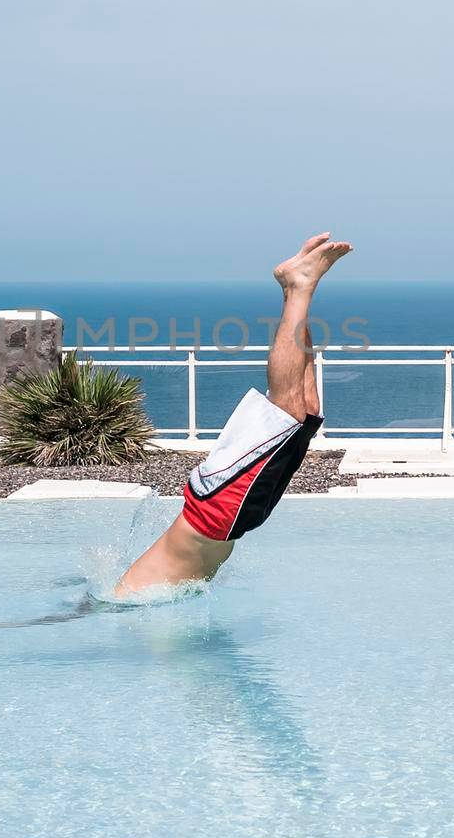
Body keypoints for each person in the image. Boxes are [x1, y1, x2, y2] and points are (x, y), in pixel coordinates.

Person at [115, 233, 352, 597]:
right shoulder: (128, 594)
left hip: (219, 511)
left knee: (286, 410)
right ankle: (294, 290)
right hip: (226, 515)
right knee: (306, 413)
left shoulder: (125, 599)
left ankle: (302, 286)